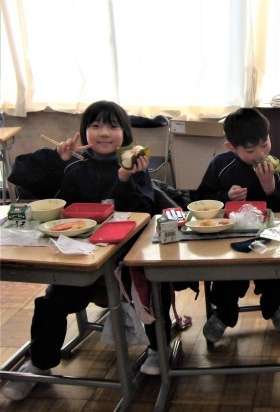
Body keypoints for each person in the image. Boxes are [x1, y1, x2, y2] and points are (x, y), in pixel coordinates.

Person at [2, 100, 161, 401]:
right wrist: (56, 159)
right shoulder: (73, 166)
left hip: (125, 260)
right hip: (80, 259)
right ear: (84, 130)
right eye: (96, 126)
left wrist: (124, 179)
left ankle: (157, 349)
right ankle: (39, 365)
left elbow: (144, 212)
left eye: (113, 126)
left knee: (153, 291)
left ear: (125, 133)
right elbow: (23, 178)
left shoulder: (135, 167)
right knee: (51, 302)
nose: (104, 133)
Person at [196, 107, 280, 344]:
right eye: (250, 150)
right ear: (232, 147)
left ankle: (275, 306)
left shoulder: (276, 167)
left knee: (275, 275)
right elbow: (201, 200)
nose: (260, 154)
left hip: (268, 238)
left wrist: (270, 189)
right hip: (227, 238)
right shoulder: (220, 164)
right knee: (227, 277)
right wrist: (225, 197)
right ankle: (224, 313)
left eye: (265, 144)